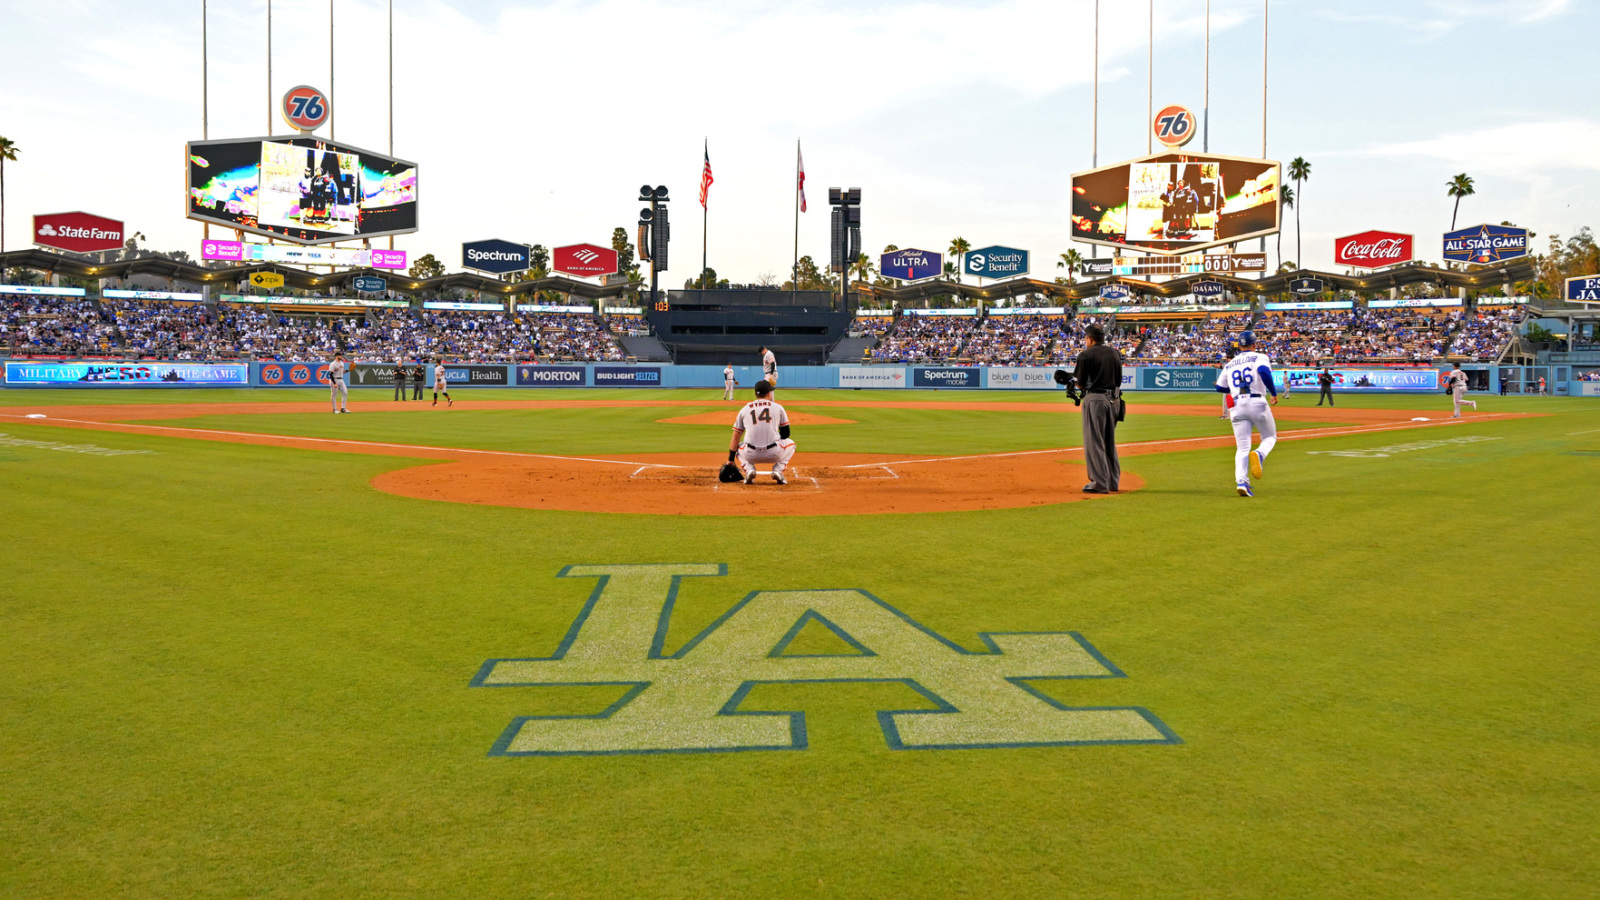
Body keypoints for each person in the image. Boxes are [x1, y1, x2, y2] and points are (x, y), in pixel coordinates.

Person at [1215, 331, 1278, 498]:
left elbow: (1220, 388)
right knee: (1270, 437)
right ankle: (1259, 454)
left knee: (1242, 447)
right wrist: (1273, 392)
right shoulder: (1259, 357)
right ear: (1254, 344)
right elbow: (1264, 372)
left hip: (1236, 405)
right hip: (1257, 401)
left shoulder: (1230, 363)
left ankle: (1241, 482)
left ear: (1239, 345)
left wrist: (1233, 389)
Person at [1072, 324, 1122, 493]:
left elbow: (1079, 382)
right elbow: (1119, 380)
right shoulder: (1114, 352)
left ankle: (1099, 483)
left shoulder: (1085, 355)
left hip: (1095, 400)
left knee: (1095, 442)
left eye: (1086, 338)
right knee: (1109, 442)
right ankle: (1112, 482)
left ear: (1090, 338)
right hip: (1114, 400)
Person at [727, 380, 795, 484]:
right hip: (774, 453)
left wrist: (730, 460)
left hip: (750, 453)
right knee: (792, 444)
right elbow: (786, 434)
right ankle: (777, 470)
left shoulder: (744, 410)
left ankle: (749, 470)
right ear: (768, 394)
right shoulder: (778, 408)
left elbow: (735, 438)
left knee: (737, 447)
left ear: (755, 394)